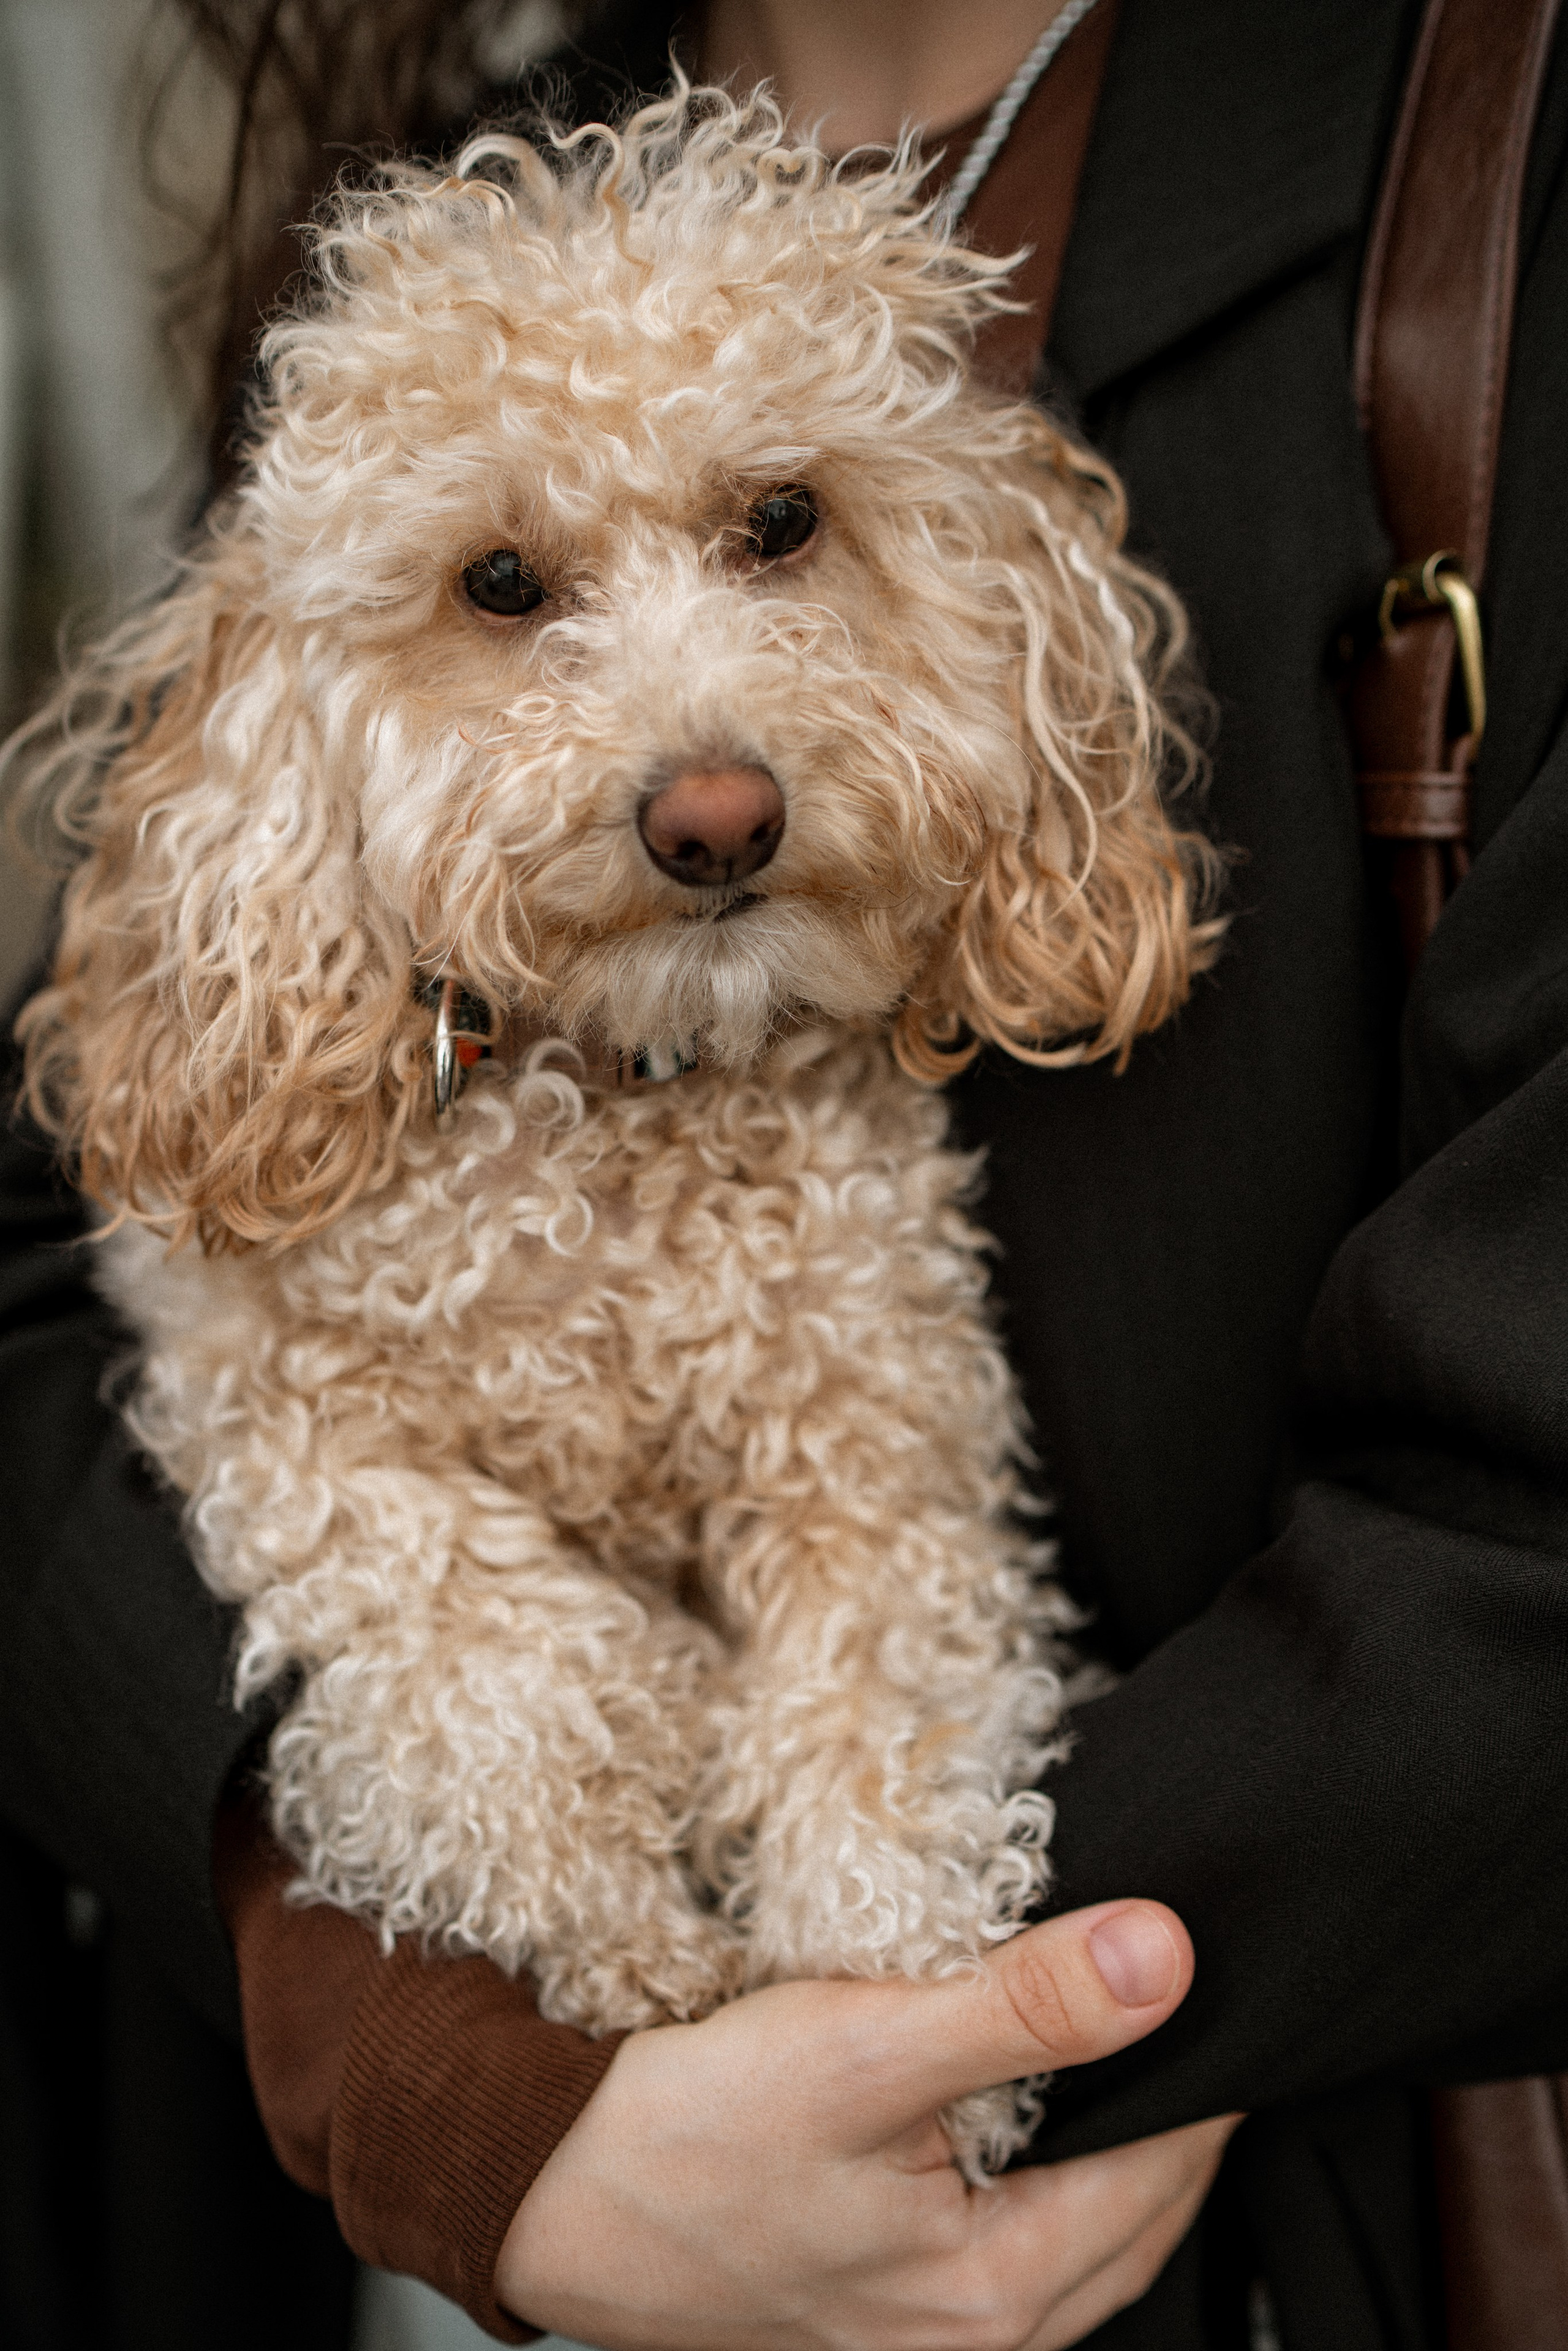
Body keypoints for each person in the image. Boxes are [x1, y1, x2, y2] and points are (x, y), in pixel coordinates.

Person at [4, 1, 1568, 2345]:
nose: (698, 769)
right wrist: (466, 2090)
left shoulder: (1503, 154)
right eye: (513, 595)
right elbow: (58, 1314)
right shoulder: (447, 215)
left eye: (777, 532)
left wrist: (906, 2048)